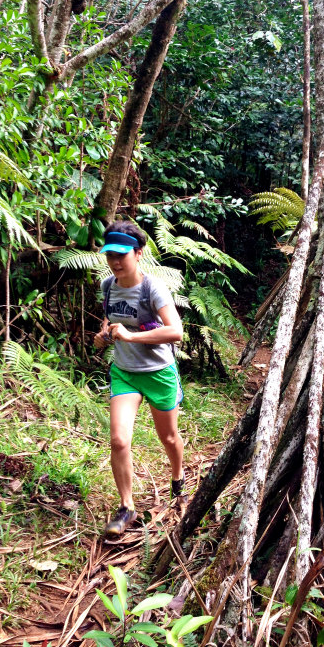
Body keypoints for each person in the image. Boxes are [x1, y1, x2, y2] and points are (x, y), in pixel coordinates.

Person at [94, 220, 185, 537]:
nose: (116, 262)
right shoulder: (108, 286)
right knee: (119, 440)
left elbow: (176, 332)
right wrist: (104, 335)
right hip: (124, 373)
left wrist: (131, 337)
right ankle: (127, 507)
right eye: (110, 255)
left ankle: (178, 478)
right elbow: (110, 319)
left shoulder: (152, 288)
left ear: (139, 253)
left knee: (169, 438)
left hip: (158, 373)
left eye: (122, 254)